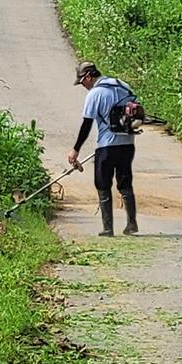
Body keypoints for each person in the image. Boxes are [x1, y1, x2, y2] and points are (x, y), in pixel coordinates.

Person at [68, 61, 138, 237]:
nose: (83, 85)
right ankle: (131, 223)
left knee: (102, 183)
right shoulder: (124, 87)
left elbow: (87, 124)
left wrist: (76, 149)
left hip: (107, 145)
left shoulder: (95, 94)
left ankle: (108, 228)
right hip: (128, 144)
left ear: (89, 77)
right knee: (125, 182)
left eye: (82, 82)